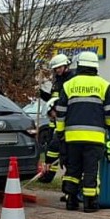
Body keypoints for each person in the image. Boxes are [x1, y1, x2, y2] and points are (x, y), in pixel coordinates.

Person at [54, 51, 110, 212]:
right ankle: (90, 204)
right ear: (96, 66)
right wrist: (109, 126)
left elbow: (60, 111)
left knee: (73, 169)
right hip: (94, 137)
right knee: (91, 170)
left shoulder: (69, 85)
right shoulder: (104, 85)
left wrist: (60, 132)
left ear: (79, 65)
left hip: (72, 137)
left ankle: (71, 201)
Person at [39, 54, 74, 182]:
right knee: (52, 149)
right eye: (55, 68)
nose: (57, 70)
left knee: (64, 152)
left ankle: (69, 183)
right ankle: (48, 176)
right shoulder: (57, 81)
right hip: (55, 121)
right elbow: (52, 99)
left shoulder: (71, 79)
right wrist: (42, 94)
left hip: (64, 120)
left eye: (59, 67)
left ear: (66, 65)